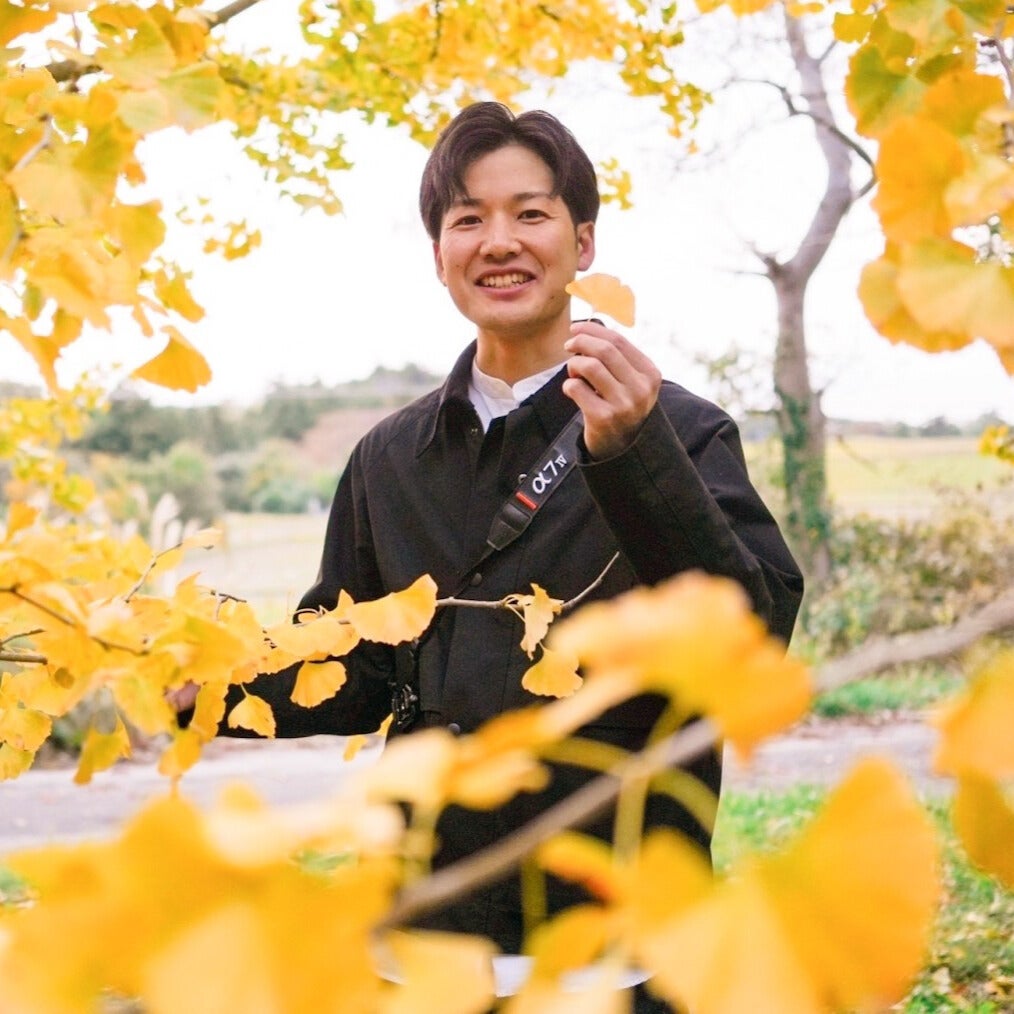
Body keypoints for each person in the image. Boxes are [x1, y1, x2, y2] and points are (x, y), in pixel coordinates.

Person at [206, 103, 804, 1009]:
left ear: (583, 241)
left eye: (530, 213)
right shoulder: (390, 456)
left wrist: (636, 455)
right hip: (423, 938)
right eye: (468, 219)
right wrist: (209, 684)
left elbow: (751, 643)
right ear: (438, 254)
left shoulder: (676, 429)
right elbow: (354, 667)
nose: (499, 242)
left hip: (620, 944)